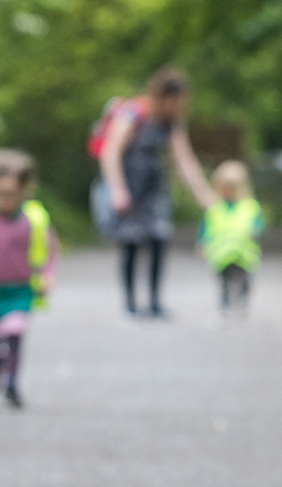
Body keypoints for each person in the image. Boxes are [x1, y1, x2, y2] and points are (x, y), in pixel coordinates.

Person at [97, 66, 217, 317]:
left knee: (159, 239)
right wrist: (118, 189)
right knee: (130, 242)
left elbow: (184, 160)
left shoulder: (171, 123)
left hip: (153, 185)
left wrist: (205, 195)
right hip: (129, 182)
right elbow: (110, 152)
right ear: (164, 96)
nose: (179, 107)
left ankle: (153, 302)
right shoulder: (133, 114)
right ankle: (130, 303)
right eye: (176, 101)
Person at [0, 148, 60, 408]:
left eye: (12, 194)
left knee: (14, 333)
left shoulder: (33, 219)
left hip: (18, 289)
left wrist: (46, 275)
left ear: (23, 191)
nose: (6, 199)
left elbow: (49, 249)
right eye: (1, 193)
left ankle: (11, 381)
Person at [197, 160, 263, 314]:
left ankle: (241, 303)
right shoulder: (215, 208)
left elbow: (258, 223)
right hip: (221, 255)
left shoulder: (249, 206)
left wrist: (255, 231)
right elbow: (205, 227)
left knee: (244, 281)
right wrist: (201, 243)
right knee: (224, 282)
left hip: (244, 254)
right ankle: (225, 304)